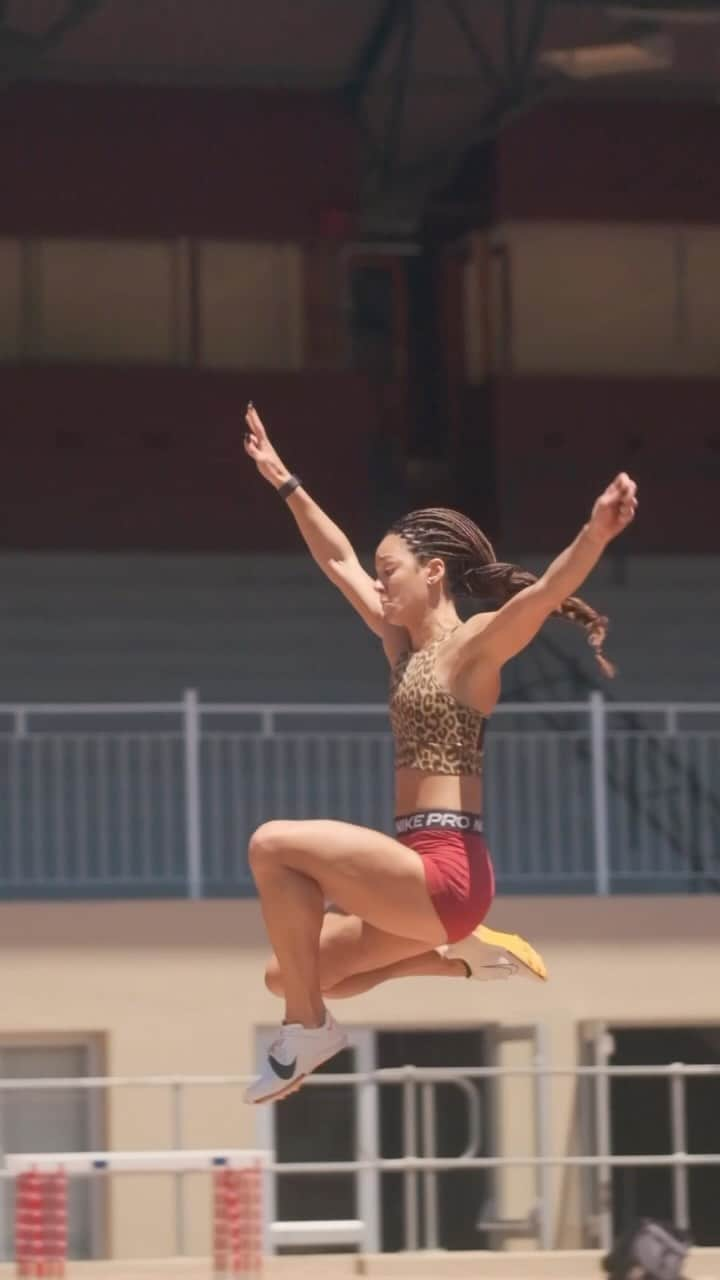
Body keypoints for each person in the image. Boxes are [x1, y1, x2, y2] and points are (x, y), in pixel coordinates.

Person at [242, 403, 637, 1104]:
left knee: (273, 846)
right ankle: (458, 965)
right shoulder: (401, 646)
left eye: (388, 571)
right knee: (290, 970)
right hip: (413, 879)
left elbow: (546, 593)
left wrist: (596, 530)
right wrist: (284, 480)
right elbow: (335, 558)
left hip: (446, 873)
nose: (379, 582)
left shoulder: (473, 647)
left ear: (431, 572)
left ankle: (306, 1030)